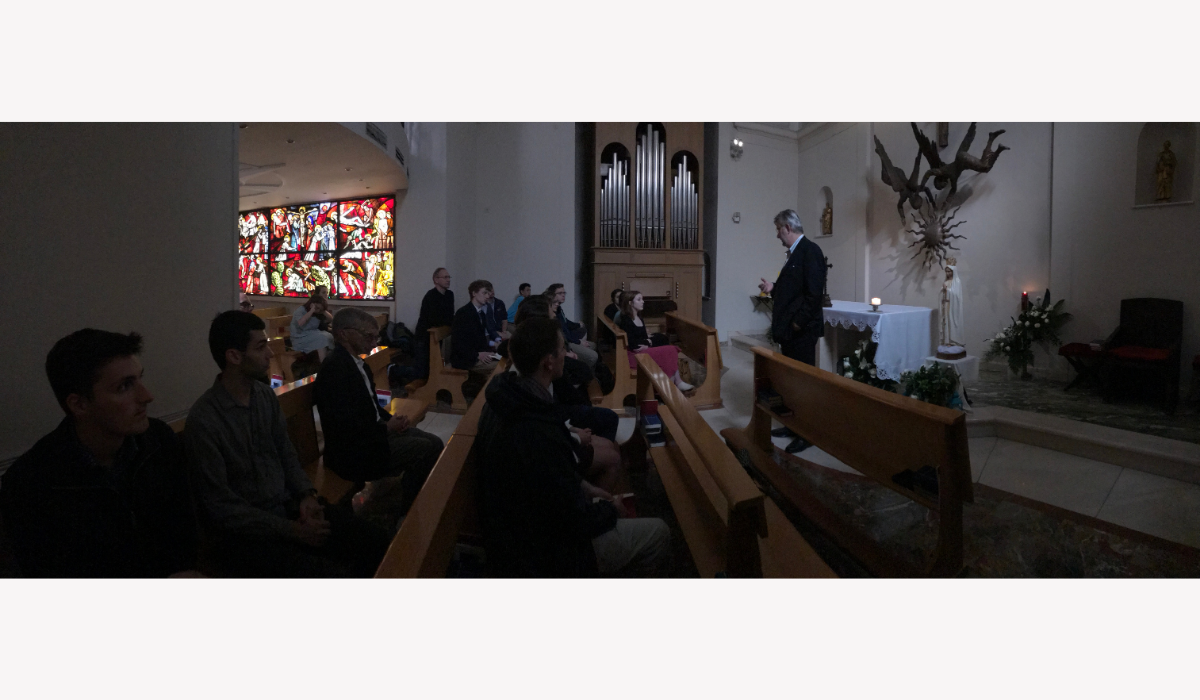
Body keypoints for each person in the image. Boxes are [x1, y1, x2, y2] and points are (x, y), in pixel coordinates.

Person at [185, 311, 389, 577]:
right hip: (248, 535)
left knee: (377, 542)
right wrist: (292, 530)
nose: (270, 354)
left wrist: (306, 495)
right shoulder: (206, 420)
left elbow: (285, 451)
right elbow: (221, 507)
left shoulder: (263, 397)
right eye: (261, 347)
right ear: (234, 356)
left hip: (290, 509)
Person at [476, 317, 670, 577]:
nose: (566, 355)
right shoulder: (534, 428)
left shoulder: (509, 397)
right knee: (659, 532)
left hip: (523, 526)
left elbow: (555, 480)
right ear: (548, 361)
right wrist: (608, 510)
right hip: (543, 553)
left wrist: (589, 489)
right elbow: (569, 522)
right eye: (561, 350)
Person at [0, 329, 200, 577]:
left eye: (139, 379)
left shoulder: (159, 442)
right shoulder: (33, 484)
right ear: (79, 404)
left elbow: (186, 530)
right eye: (125, 386)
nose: (147, 396)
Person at [314, 308, 443, 521]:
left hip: (372, 436)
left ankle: (408, 502)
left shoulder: (358, 363)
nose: (374, 343)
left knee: (434, 442)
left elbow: (371, 406)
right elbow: (345, 426)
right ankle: (407, 516)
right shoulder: (335, 369)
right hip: (354, 452)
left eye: (376, 336)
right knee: (427, 449)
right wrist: (385, 428)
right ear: (345, 334)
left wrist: (389, 419)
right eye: (369, 336)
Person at [757, 209, 827, 453]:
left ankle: (806, 432)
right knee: (791, 382)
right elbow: (793, 291)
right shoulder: (796, 253)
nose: (777, 235)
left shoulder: (811, 251)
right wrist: (773, 288)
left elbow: (813, 294)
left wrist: (797, 323)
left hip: (802, 332)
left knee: (803, 384)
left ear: (788, 227)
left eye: (778, 229)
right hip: (791, 331)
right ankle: (792, 424)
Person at [619, 291, 694, 392]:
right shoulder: (626, 320)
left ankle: (673, 384)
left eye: (642, 299)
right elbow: (634, 345)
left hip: (642, 351)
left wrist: (647, 342)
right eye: (639, 299)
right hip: (634, 355)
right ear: (630, 303)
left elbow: (643, 338)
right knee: (670, 350)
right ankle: (672, 387)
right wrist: (646, 342)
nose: (642, 302)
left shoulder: (638, 316)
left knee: (664, 343)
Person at [450, 280, 501, 387]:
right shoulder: (463, 313)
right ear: (474, 293)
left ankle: (487, 395)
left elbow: (480, 339)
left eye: (488, 293)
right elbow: (458, 344)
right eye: (484, 293)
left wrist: (491, 350)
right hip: (464, 358)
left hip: (475, 353)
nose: (487, 296)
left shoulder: (480, 313)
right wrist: (478, 355)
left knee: (503, 361)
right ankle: (485, 399)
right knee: (499, 368)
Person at [546, 283, 599, 368]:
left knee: (591, 342)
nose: (563, 295)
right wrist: (578, 342)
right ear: (552, 294)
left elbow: (566, 322)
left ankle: (595, 368)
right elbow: (563, 334)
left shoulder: (559, 308)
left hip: (568, 338)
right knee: (593, 356)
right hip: (566, 342)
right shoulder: (551, 312)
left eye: (564, 293)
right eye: (560, 293)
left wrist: (578, 325)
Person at [414, 267, 454, 380]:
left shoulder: (449, 295)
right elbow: (434, 319)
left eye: (449, 277)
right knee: (421, 370)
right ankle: (394, 370)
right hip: (424, 336)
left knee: (432, 367)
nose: (448, 280)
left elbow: (449, 315)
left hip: (437, 335)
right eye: (445, 277)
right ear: (436, 280)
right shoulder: (431, 296)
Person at [289, 291, 335, 359]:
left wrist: (323, 311)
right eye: (318, 308)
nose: (318, 311)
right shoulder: (301, 310)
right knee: (321, 339)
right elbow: (300, 323)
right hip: (299, 337)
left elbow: (331, 319)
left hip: (312, 334)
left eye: (320, 309)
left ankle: (329, 361)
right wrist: (312, 310)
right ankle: (323, 364)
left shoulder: (318, 313)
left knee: (329, 336)